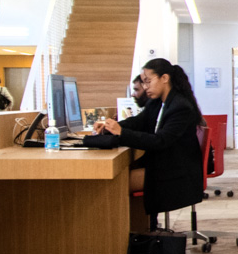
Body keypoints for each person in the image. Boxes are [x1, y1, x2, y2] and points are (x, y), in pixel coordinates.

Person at [85, 58, 204, 219]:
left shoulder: (180, 107)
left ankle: (124, 232)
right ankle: (141, 227)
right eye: (143, 82)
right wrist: (110, 127)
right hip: (163, 164)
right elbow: (137, 122)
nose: (145, 87)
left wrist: (121, 132)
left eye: (148, 81)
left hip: (177, 171)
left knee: (114, 182)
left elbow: (160, 141)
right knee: (116, 176)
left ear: (164, 78)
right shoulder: (157, 103)